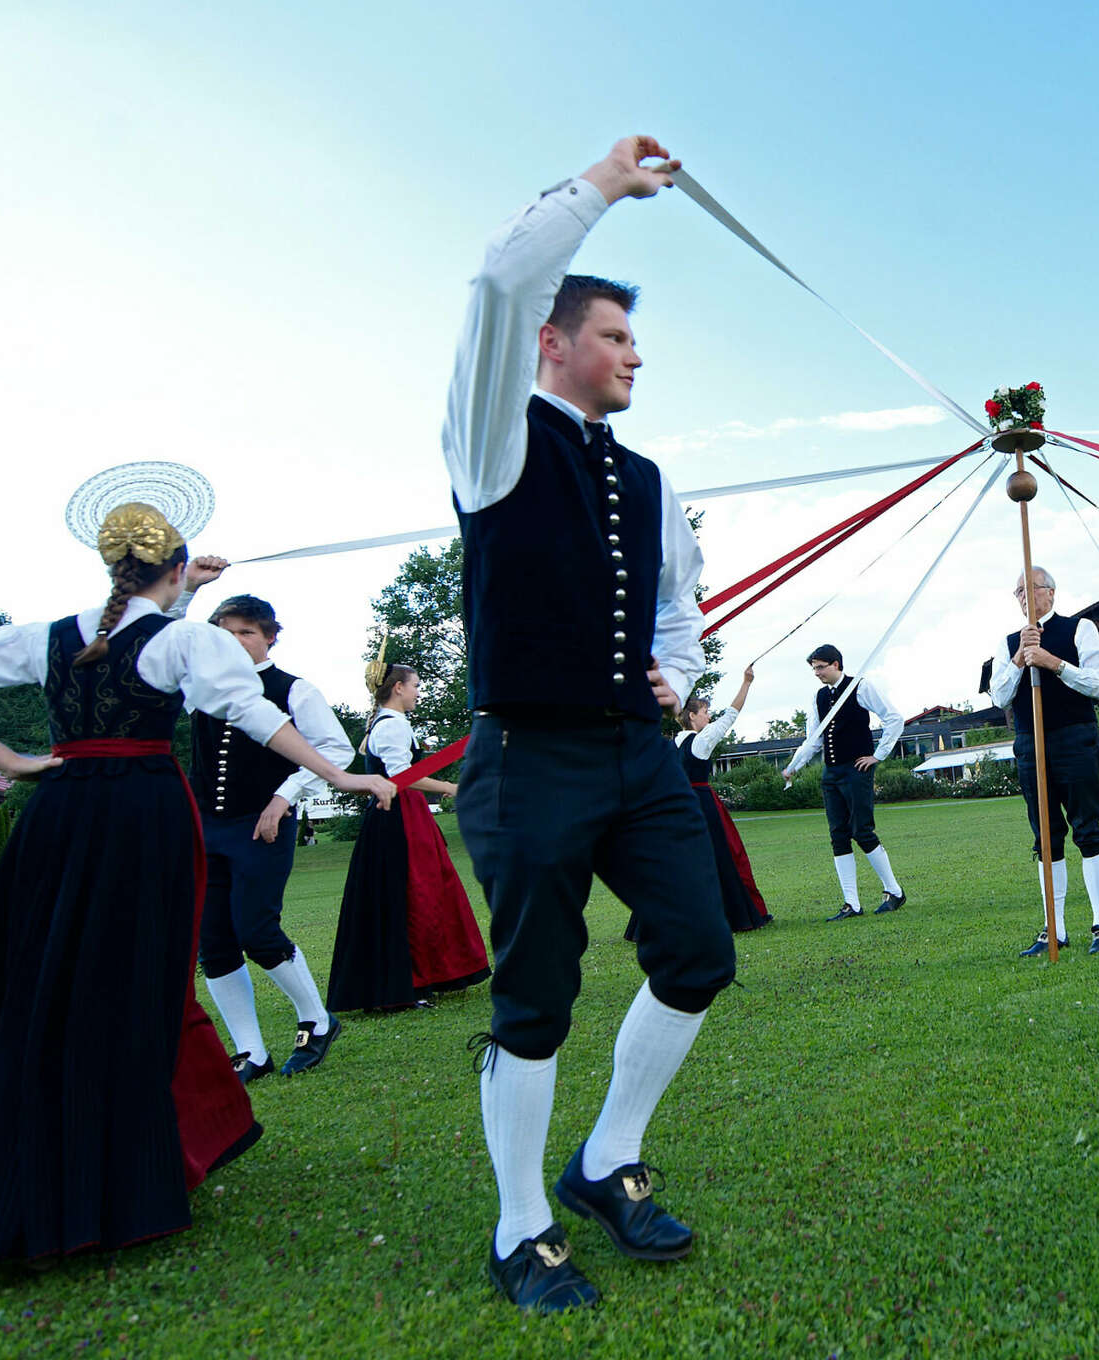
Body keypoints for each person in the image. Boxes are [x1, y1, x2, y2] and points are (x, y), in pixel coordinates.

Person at [0, 500, 395, 1269]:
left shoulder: (49, 636)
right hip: (143, 817)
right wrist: (342, 774)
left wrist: (14, 764)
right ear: (174, 569)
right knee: (134, 982)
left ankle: (37, 1167)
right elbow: (254, 715)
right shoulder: (187, 639)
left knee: (44, 981)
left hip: (60, 817)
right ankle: (121, 1176)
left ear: (110, 567)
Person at [440, 134, 737, 1311]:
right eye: (615, 336)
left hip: (633, 751)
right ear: (554, 345)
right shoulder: (492, 436)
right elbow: (497, 286)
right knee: (536, 998)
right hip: (525, 758)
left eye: (634, 338)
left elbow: (679, 606)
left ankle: (605, 1156)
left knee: (699, 952)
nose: (635, 355)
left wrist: (676, 669)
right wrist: (605, 188)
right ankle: (522, 1227)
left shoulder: (652, 478)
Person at [163, 586, 354, 1082]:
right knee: (214, 941)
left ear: (270, 638)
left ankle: (316, 1021)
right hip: (206, 829)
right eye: (225, 633)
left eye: (246, 632)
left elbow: (338, 748)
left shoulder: (294, 689)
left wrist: (284, 795)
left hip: (263, 826)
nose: (235, 640)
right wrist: (186, 591)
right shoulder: (199, 689)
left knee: (256, 930)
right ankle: (252, 1051)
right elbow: (162, 642)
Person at [328, 662, 492, 1012]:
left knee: (421, 893)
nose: (419, 691)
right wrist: (450, 787)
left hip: (402, 815)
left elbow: (374, 757)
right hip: (399, 817)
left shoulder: (387, 724)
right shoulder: (391, 726)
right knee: (413, 895)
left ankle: (423, 977)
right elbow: (401, 776)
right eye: (415, 685)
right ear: (398, 688)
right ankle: (409, 981)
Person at [988, 566, 1099, 956]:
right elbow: (998, 697)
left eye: (1031, 588)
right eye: (1018, 592)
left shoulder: (1079, 629)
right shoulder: (1010, 642)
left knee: (1087, 829)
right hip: (1030, 744)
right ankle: (1053, 928)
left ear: (1052, 592)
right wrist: (1019, 660)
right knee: (1046, 837)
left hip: (1073, 737)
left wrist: (1052, 662)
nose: (1024, 596)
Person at [782, 644, 908, 920]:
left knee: (861, 830)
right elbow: (813, 738)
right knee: (838, 835)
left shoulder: (860, 687)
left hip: (856, 770)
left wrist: (877, 755)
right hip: (832, 773)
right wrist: (793, 766)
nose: (817, 673)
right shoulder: (819, 696)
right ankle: (852, 903)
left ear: (836, 664)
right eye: (814, 668)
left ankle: (894, 891)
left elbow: (894, 719)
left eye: (820, 667)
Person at [674, 666, 772, 933]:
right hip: (702, 803)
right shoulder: (701, 739)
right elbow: (732, 714)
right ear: (692, 716)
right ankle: (734, 915)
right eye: (705, 712)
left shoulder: (671, 743)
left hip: (677, 805)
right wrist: (746, 683)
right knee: (726, 856)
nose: (708, 716)